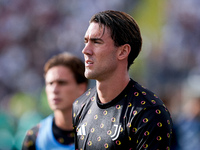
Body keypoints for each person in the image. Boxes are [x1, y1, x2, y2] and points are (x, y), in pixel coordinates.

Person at [72, 10, 173, 150]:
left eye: (96, 42)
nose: (85, 50)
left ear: (123, 52)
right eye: (86, 41)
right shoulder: (80, 106)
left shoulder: (148, 112)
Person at [22, 52, 88, 150]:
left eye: (62, 83)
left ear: (81, 88)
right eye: (50, 83)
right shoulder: (35, 137)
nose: (54, 90)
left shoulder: (100, 132)